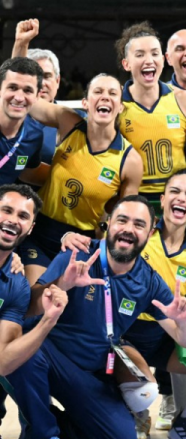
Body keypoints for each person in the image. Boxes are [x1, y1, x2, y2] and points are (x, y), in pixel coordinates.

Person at [63, 170, 186, 439]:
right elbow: (97, 245)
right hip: (122, 335)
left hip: (166, 336)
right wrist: (69, 235)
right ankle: (135, 414)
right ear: (162, 201)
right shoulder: (138, 236)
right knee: (142, 392)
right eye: (175, 191)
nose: (182, 198)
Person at [4, 195, 186, 439]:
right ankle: (45, 437)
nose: (128, 229)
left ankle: (51, 427)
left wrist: (183, 321)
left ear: (150, 232)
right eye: (122, 220)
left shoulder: (148, 280)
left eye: (139, 224)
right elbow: (28, 307)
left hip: (89, 375)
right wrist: (64, 282)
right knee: (25, 352)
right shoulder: (79, 256)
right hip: (49, 359)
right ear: (109, 223)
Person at [18, 73, 142, 286]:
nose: (105, 97)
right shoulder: (69, 122)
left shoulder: (130, 160)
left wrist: (103, 231)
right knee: (35, 298)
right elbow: (27, 100)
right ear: (85, 103)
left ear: (120, 107)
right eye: (98, 92)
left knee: (63, 305)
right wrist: (21, 46)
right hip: (40, 232)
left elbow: (123, 217)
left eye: (113, 93)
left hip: (81, 242)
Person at [115, 22, 186, 198]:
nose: (149, 60)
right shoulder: (116, 106)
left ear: (162, 60)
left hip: (177, 203)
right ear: (126, 64)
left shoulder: (184, 100)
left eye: (155, 53)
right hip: (134, 205)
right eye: (140, 55)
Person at [0, 184, 66, 439]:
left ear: (30, 228)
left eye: (23, 216)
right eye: (6, 210)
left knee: (27, 357)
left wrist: (49, 320)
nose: (13, 220)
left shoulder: (17, 282)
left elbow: (4, 361)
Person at [12, 18, 71, 165]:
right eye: (34, 76)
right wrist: (21, 43)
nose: (41, 83)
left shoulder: (72, 119)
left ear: (57, 81)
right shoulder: (10, 116)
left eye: (47, 76)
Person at [0, 57, 48, 187]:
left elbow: (28, 173)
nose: (19, 97)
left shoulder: (34, 135)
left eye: (28, 90)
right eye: (12, 87)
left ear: (38, 95)